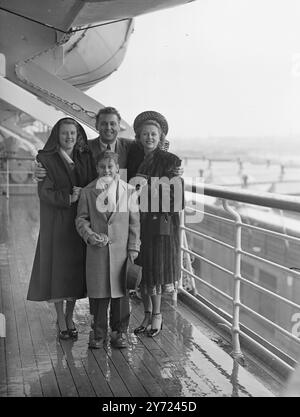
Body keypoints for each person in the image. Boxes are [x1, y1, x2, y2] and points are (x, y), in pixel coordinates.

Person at [27, 118, 96, 340]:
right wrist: (68, 197)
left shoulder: (84, 157)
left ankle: (69, 315)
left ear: (78, 136)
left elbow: (95, 182)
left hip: (77, 222)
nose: (69, 137)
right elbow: (44, 192)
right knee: (57, 271)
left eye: (73, 134)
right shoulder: (45, 159)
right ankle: (60, 318)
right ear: (57, 135)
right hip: (55, 222)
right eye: (65, 133)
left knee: (73, 272)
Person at [127, 111, 184, 337]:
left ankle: (157, 317)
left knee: (156, 271)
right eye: (145, 134)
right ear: (139, 136)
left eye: (153, 134)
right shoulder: (134, 159)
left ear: (160, 137)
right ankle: (148, 315)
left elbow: (176, 198)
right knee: (145, 271)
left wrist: (146, 189)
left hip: (160, 224)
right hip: (138, 221)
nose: (149, 137)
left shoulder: (170, 161)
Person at [75, 151, 140, 349]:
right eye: (102, 167)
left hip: (121, 253)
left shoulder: (129, 191)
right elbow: (81, 219)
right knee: (98, 296)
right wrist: (89, 235)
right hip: (97, 253)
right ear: (97, 169)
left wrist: (133, 247)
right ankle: (98, 333)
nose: (106, 170)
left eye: (110, 166)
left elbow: (135, 223)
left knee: (121, 296)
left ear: (117, 168)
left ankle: (119, 333)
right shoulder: (87, 191)